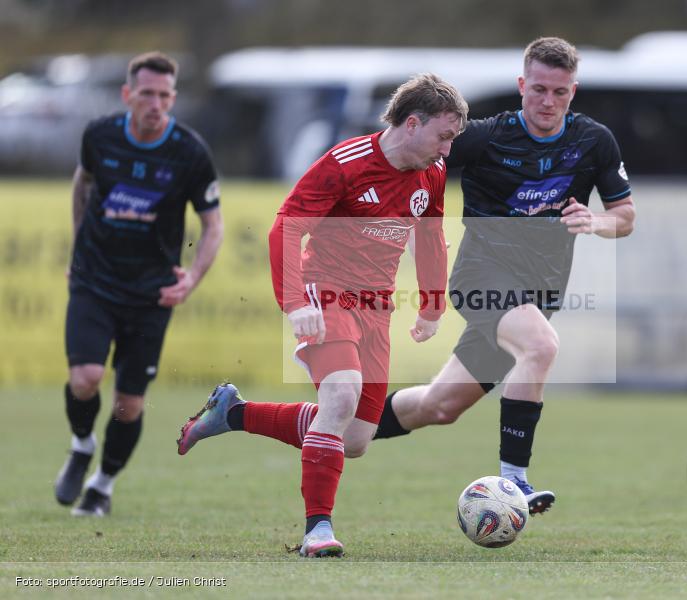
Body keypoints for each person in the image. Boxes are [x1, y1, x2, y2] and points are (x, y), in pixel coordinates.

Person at [177, 73, 467, 558]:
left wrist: (433, 305)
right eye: (445, 135)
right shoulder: (345, 163)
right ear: (412, 123)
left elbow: (431, 236)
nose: (448, 150)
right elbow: (285, 230)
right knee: (341, 393)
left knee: (354, 438)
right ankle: (317, 530)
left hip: (375, 308)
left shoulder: (431, 174)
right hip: (326, 292)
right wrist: (296, 303)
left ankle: (234, 413)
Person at [371, 37, 635, 515]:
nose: (547, 101)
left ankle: (330, 426)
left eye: (559, 92)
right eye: (538, 89)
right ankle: (515, 482)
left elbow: (626, 215)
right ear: (521, 85)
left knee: (438, 407)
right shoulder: (484, 137)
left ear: (573, 91)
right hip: (481, 276)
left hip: (537, 297)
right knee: (542, 346)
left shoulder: (594, 141)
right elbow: (411, 155)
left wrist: (595, 222)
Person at [54, 52, 224, 517]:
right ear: (128, 94)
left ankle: (102, 486)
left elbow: (213, 226)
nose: (156, 103)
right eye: (146, 93)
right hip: (94, 279)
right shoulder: (100, 135)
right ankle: (82, 443)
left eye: (165, 95)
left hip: (151, 293)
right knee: (85, 379)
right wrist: (77, 248)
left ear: (173, 98)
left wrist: (191, 278)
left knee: (129, 404)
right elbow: (82, 183)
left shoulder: (189, 152)